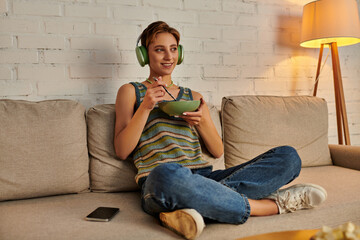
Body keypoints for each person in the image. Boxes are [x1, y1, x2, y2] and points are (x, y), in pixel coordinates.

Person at [114, 21, 327, 240]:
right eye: (160, 49)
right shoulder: (131, 92)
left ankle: (192, 207)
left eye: (173, 49)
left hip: (205, 177)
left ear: (181, 53)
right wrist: (146, 107)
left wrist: (201, 122)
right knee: (166, 174)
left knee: (288, 157)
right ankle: (271, 206)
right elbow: (122, 150)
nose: (168, 56)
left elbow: (217, 151)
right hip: (160, 180)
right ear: (143, 55)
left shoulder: (193, 97)